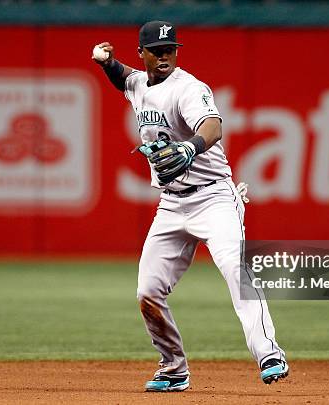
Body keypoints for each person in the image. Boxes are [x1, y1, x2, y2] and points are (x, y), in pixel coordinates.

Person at [92, 20, 288, 392]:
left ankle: (269, 353)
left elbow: (212, 125)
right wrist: (106, 63)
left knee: (236, 270)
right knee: (147, 291)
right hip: (171, 205)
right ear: (143, 53)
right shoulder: (138, 83)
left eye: (171, 49)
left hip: (214, 197)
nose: (165, 55)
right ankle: (173, 369)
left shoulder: (189, 88)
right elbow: (127, 80)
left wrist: (189, 147)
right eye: (157, 50)